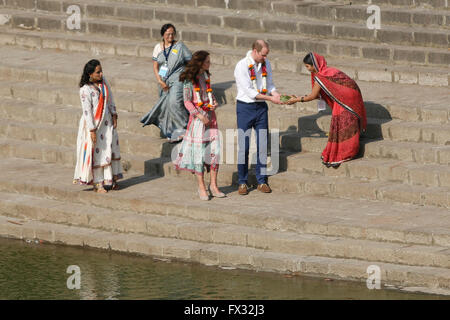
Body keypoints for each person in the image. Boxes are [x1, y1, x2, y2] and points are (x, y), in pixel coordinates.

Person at [286, 52, 367, 167]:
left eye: (308, 66)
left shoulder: (321, 76)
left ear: (314, 65)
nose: (307, 69)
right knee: (348, 123)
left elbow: (313, 96)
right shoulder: (329, 70)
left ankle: (346, 153)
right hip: (353, 95)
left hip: (346, 99)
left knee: (343, 124)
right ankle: (349, 150)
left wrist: (296, 100)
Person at [234, 40, 282, 195]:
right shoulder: (242, 65)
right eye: (263, 55)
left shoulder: (265, 63)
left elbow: (270, 84)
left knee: (263, 144)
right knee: (244, 146)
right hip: (245, 107)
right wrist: (270, 99)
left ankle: (261, 181)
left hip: (261, 108)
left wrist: (276, 94)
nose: (265, 58)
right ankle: (242, 181)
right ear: (255, 51)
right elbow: (249, 92)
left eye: (266, 55)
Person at [174, 50, 224, 201]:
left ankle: (214, 185)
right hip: (198, 121)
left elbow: (209, 94)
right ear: (200, 63)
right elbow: (187, 101)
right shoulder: (189, 80)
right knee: (199, 155)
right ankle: (201, 187)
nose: (210, 64)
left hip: (211, 119)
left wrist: (214, 102)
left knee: (215, 152)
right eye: (207, 61)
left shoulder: (206, 76)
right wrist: (199, 115)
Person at [73, 59, 123, 193]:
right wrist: (92, 130)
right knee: (97, 153)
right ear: (90, 74)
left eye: (101, 71)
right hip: (95, 125)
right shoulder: (85, 90)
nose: (101, 74)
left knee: (110, 149)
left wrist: (113, 113)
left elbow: (110, 97)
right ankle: (98, 183)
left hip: (107, 124)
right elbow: (87, 111)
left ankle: (111, 180)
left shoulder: (103, 84)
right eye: (98, 72)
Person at [140, 23, 192, 142]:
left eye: (173, 34)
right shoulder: (158, 48)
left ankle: (185, 128)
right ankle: (172, 131)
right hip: (163, 80)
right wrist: (160, 81)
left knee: (174, 102)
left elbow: (190, 61)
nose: (171, 36)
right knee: (166, 106)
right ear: (163, 35)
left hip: (178, 78)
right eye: (168, 34)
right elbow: (155, 66)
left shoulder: (180, 46)